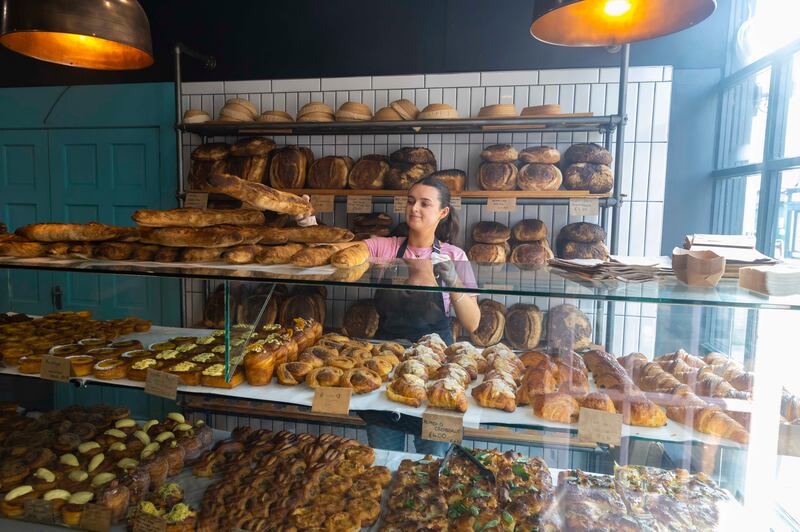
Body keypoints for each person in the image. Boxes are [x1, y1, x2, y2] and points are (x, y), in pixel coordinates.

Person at [298, 175, 480, 454]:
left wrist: (453, 279)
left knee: (432, 463)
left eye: (424, 203)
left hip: (435, 374)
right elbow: (334, 253)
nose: (414, 208)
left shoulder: (454, 255)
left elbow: (472, 322)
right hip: (384, 369)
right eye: (410, 201)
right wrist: (306, 224)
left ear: (442, 213)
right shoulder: (384, 247)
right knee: (383, 457)